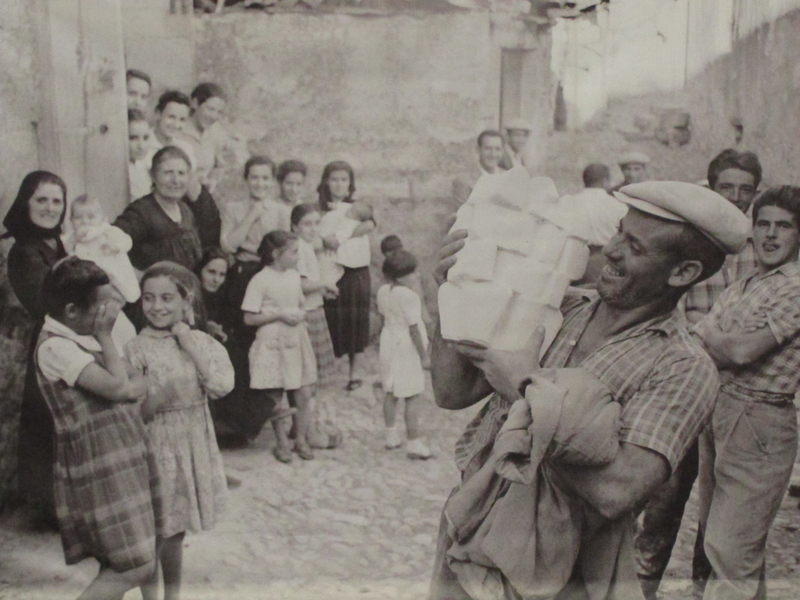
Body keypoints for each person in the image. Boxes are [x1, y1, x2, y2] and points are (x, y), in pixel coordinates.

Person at [429, 180, 751, 600]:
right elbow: (451, 392)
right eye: (620, 232)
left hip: (560, 574)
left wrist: (524, 394)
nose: (612, 250)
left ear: (683, 272)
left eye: (635, 248)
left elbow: (617, 491)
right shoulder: (559, 307)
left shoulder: (683, 368)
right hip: (467, 535)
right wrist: (452, 293)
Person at [637, 149, 763, 600]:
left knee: (721, 511)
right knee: (663, 499)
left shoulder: (762, 248)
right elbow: (671, 316)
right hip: (685, 390)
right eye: (727, 187)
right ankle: (640, 589)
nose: (736, 196)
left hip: (737, 396)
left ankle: (700, 590)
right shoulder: (689, 243)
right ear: (711, 188)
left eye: (745, 189)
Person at [693, 186, 800, 600]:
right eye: (764, 224)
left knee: (731, 550)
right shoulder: (745, 285)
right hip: (719, 410)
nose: (771, 235)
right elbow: (702, 339)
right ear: (752, 231)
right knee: (722, 544)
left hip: (760, 420)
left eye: (785, 227)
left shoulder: (794, 287)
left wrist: (711, 332)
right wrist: (713, 335)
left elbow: (740, 350)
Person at [34, 256, 157, 600]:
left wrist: (127, 382)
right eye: (102, 305)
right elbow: (121, 387)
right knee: (136, 565)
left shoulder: (81, 334)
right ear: (72, 310)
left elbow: (135, 379)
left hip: (120, 455)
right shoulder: (56, 346)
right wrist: (106, 338)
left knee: (119, 559)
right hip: (98, 465)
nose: (111, 312)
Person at [125, 261, 233, 600]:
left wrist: (189, 345)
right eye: (148, 298)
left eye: (167, 298)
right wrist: (160, 396)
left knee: (174, 531)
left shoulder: (201, 342)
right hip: (155, 446)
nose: (157, 307)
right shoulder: (135, 348)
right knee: (153, 532)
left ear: (186, 302)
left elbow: (220, 385)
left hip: (190, 441)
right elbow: (133, 414)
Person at [2, 170, 68, 523]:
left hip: (66, 341)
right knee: (48, 423)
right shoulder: (26, 250)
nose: (50, 207)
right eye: (41, 199)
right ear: (26, 202)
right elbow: (45, 303)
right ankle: (48, 509)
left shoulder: (56, 242)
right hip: (47, 346)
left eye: (57, 201)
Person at [241, 231, 317, 463]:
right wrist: (279, 315)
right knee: (275, 394)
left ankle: (301, 439)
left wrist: (299, 314)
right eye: (294, 252)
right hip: (273, 341)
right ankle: (282, 441)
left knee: (304, 391)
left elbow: (300, 305)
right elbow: (249, 318)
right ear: (276, 254)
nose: (297, 258)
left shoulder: (294, 277)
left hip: (296, 338)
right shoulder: (260, 280)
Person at [318, 161, 375, 391]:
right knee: (331, 316)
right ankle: (329, 368)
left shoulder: (357, 207)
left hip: (356, 269)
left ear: (350, 183)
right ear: (325, 181)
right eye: (334, 179)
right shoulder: (320, 208)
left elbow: (369, 225)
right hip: (330, 268)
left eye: (344, 179)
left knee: (357, 319)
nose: (339, 184)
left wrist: (342, 235)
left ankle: (354, 372)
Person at [291, 203, 343, 449]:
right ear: (295, 227)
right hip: (307, 314)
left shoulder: (308, 248)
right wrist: (323, 285)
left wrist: (323, 289)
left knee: (316, 376)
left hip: (314, 309)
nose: (312, 229)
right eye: (306, 224)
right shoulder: (298, 249)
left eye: (315, 224)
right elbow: (298, 284)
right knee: (310, 375)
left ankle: (315, 426)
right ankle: (310, 430)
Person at [375, 249, 432, 459]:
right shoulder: (410, 296)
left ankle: (391, 435)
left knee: (390, 390)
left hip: (388, 341)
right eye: (413, 273)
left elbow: (384, 317)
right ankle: (413, 443)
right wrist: (424, 356)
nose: (417, 276)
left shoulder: (383, 291)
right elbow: (414, 329)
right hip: (406, 346)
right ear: (400, 276)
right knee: (412, 394)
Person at [114, 146, 203, 272]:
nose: (176, 180)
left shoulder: (185, 211)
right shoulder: (140, 212)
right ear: (153, 176)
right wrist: (139, 278)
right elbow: (111, 250)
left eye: (181, 173)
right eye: (168, 173)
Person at [558, 163, 628, 287]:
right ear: (605, 181)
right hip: (604, 261)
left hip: (571, 259)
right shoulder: (618, 206)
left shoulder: (567, 202)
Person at [65, 194, 141, 305]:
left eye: (91, 217)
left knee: (128, 293)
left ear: (102, 218)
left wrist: (116, 247)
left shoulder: (107, 231)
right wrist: (72, 244)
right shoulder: (73, 238)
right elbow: (67, 250)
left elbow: (127, 241)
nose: (85, 221)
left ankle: (131, 301)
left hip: (115, 269)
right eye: (78, 218)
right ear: (71, 220)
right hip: (93, 278)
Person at [181, 82, 239, 192]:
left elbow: (221, 165)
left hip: (202, 194)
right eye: (210, 109)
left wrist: (212, 179)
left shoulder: (217, 132)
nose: (214, 116)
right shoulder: (179, 128)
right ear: (195, 103)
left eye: (219, 112)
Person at [452, 130, 508, 207]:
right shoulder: (464, 181)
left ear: (503, 151)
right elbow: (463, 215)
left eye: (497, 149)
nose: (493, 154)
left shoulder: (508, 177)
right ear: (479, 150)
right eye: (488, 148)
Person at [128, 109, 155, 202]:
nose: (141, 146)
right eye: (133, 138)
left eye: (146, 138)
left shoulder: (148, 163)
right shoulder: (118, 169)